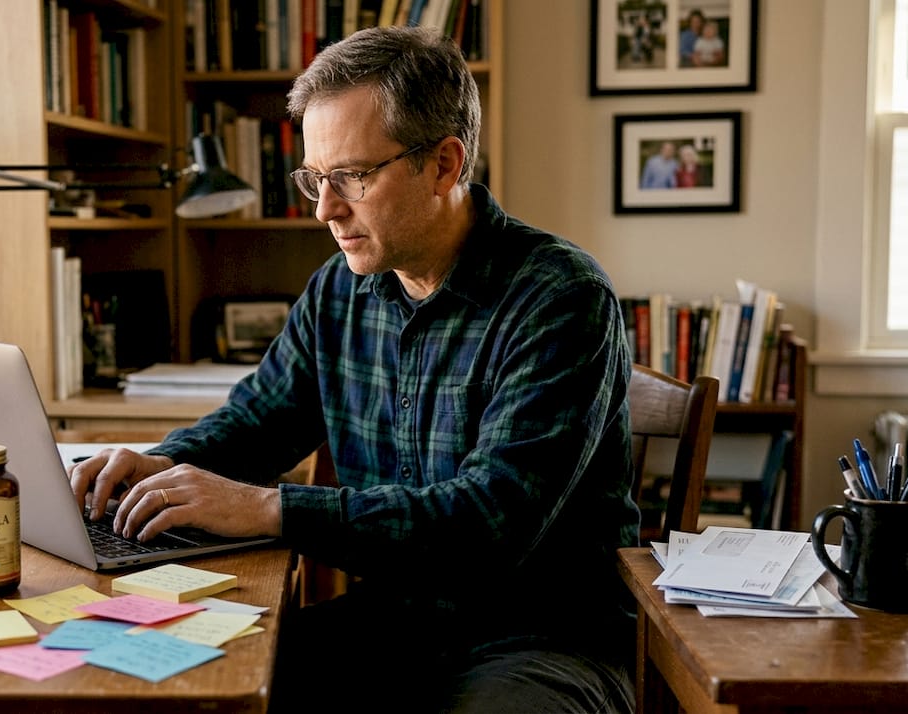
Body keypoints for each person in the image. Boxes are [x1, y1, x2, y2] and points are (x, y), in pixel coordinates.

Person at [70, 25, 638, 714]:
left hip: (544, 636)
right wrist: (154, 469)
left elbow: (491, 521)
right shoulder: (337, 291)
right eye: (315, 178)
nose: (324, 209)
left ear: (444, 165)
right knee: (182, 687)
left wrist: (267, 508)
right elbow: (257, 425)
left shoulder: (561, 295)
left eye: (352, 177)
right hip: (396, 621)